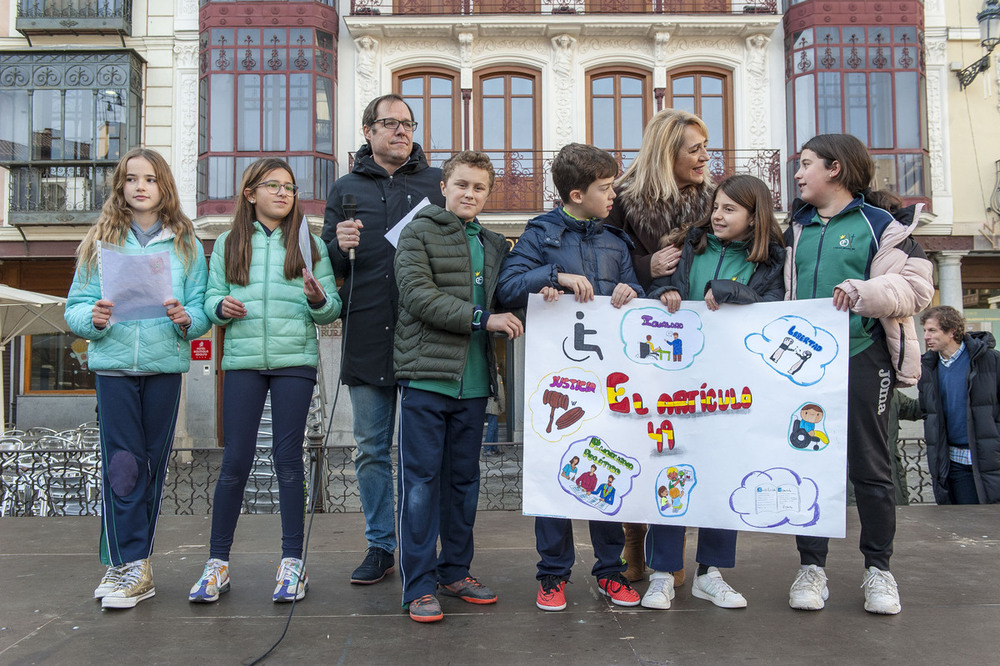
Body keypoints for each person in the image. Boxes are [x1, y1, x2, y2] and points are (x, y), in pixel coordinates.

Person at [783, 133, 933, 615]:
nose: (798, 173)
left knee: (871, 467)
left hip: (862, 355)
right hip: (800, 367)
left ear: (836, 169)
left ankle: (879, 571)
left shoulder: (884, 226)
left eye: (806, 164)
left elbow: (916, 289)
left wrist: (864, 290)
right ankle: (811, 568)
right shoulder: (794, 228)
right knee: (807, 461)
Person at [496, 142, 642, 613]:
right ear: (577, 194)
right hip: (556, 382)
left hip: (607, 381)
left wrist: (630, 291)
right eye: (605, 188)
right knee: (553, 477)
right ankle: (553, 575)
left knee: (606, 470)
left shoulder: (616, 240)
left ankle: (609, 572)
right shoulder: (540, 234)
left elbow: (637, 292)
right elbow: (507, 288)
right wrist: (553, 275)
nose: (614, 194)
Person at [189, 158, 341, 604]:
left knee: (288, 460)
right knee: (235, 461)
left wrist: (317, 299)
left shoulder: (310, 244)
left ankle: (293, 564)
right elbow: (211, 298)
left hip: (296, 361)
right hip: (241, 362)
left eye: (290, 187)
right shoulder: (228, 244)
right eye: (272, 185)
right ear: (250, 193)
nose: (283, 193)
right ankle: (217, 564)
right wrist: (222, 309)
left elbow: (331, 308)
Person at [65, 147, 210, 609]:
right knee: (123, 467)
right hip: (112, 368)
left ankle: (134, 563)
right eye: (131, 179)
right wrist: (96, 317)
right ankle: (129, 563)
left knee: (150, 465)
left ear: (164, 186)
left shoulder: (186, 243)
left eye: (150, 178)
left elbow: (203, 308)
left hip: (163, 368)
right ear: (120, 187)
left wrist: (186, 317)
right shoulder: (99, 241)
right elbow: (74, 308)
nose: (140, 186)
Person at [642, 174, 785, 611]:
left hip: (732, 386)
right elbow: (661, 294)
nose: (718, 215)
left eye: (729, 209)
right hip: (678, 383)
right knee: (671, 469)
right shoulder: (693, 245)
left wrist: (729, 291)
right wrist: (663, 290)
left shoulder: (772, 260)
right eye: (717, 206)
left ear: (753, 216)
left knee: (723, 472)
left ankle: (711, 573)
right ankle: (663, 573)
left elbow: (773, 304)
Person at [393, 151, 524, 623]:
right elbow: (416, 294)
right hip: (426, 379)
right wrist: (481, 318)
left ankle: (455, 571)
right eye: (462, 185)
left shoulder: (494, 243)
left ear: (488, 195)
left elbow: (509, 298)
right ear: (444, 186)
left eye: (480, 188)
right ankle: (419, 584)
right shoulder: (418, 231)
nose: (470, 194)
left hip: (473, 385)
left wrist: (546, 286)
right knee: (421, 484)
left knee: (464, 484)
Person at [321, 94, 446, 585]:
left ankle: (421, 545)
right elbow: (327, 263)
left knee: (423, 454)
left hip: (424, 338)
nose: (401, 131)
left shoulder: (436, 184)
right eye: (390, 123)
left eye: (408, 124)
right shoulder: (345, 187)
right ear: (369, 131)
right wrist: (337, 246)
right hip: (368, 331)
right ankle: (380, 546)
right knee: (371, 448)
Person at [605, 108, 715, 584]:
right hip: (641, 343)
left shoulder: (714, 200)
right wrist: (649, 266)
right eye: (695, 149)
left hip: (702, 342)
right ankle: (634, 543)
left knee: (688, 447)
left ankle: (674, 554)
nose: (705, 157)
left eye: (704, 148)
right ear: (667, 152)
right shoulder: (624, 201)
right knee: (638, 443)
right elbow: (609, 259)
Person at [917, 306, 1000, 504]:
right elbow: (928, 412)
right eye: (925, 331)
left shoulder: (990, 360)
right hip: (953, 462)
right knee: (963, 525)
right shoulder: (927, 368)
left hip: (990, 458)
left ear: (952, 331)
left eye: (932, 330)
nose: (926, 337)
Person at [483, 364, 505, 456]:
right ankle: (487, 449)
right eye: (496, 366)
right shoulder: (497, 377)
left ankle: (494, 448)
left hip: (487, 403)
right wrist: (502, 407)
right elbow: (501, 394)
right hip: (494, 404)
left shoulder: (486, 376)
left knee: (494, 427)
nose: (498, 368)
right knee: (492, 427)